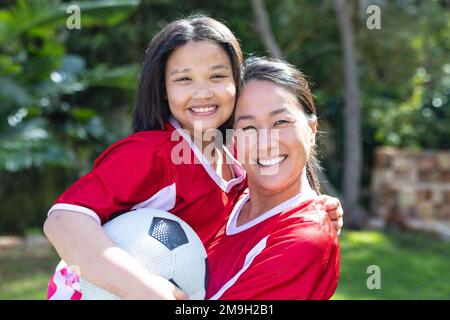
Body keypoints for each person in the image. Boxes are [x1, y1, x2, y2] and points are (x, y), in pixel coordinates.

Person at [44, 15, 342, 300]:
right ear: (163, 89)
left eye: (217, 76)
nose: (202, 92)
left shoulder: (235, 156)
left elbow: (273, 193)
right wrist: (140, 287)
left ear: (235, 83)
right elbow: (63, 219)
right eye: (183, 79)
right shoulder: (153, 153)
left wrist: (315, 209)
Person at [206, 57, 340, 300]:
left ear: (311, 130)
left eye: (280, 122)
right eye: (248, 128)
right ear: (234, 140)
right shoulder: (225, 203)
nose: (266, 143)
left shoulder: (305, 241)